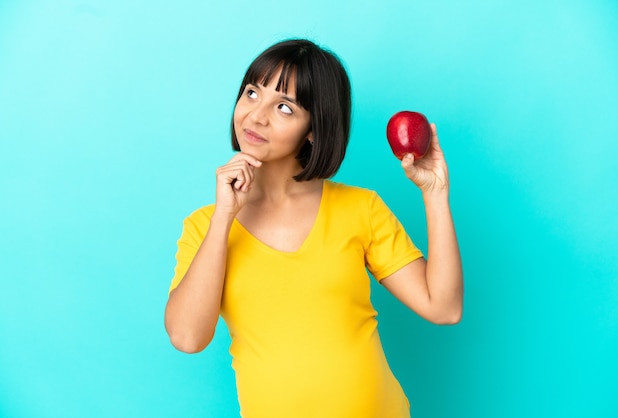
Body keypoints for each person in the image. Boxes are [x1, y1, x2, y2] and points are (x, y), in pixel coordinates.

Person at [164, 39, 463, 418]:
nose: (256, 116)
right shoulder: (205, 225)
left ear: (313, 129)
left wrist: (435, 195)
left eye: (284, 107)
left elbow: (444, 307)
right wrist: (224, 216)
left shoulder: (361, 208)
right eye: (252, 93)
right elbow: (187, 337)